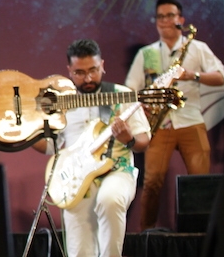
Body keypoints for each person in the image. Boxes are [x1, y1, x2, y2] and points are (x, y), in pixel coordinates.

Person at [32, 39, 151, 257]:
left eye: (93, 70)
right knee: (79, 251)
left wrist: (128, 138)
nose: (88, 78)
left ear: (102, 65)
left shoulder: (121, 94)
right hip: (77, 178)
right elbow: (50, 146)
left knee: (110, 200)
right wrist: (26, 134)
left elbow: (143, 141)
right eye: (79, 72)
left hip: (117, 170)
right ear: (69, 70)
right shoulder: (62, 103)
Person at [125, 0, 224, 231]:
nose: (165, 21)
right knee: (151, 183)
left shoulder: (197, 48)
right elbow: (131, 89)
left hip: (191, 121)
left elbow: (221, 77)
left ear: (180, 20)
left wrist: (192, 75)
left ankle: (202, 234)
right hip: (160, 125)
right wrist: (144, 105)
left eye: (170, 16)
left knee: (201, 183)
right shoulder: (146, 53)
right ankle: (147, 235)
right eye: (160, 17)